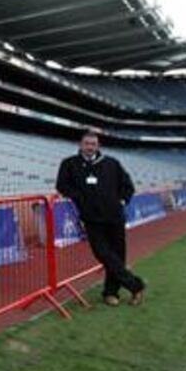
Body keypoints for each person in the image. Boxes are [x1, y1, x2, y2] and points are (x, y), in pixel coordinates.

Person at [55, 130, 145, 306]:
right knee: (102, 253)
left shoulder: (111, 163)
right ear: (80, 145)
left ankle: (111, 293)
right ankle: (136, 285)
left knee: (118, 256)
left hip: (114, 218)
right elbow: (62, 185)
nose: (90, 147)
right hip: (91, 218)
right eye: (87, 143)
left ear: (98, 146)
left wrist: (121, 201)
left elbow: (128, 186)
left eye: (93, 144)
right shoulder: (69, 164)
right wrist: (80, 198)